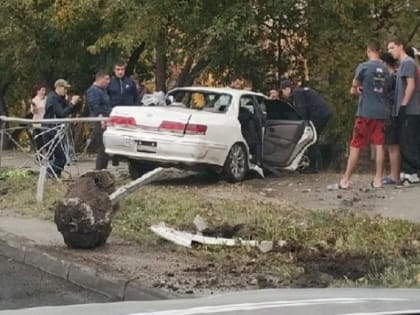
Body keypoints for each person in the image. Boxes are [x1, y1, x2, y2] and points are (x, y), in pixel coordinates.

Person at [339, 39, 389, 189]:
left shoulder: (364, 67)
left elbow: (354, 87)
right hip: (381, 112)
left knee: (356, 145)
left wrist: (356, 90)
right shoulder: (385, 69)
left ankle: (346, 179)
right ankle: (378, 179)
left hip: (365, 112)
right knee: (379, 146)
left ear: (368, 50)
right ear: (379, 51)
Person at [280, 79, 332, 173]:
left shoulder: (297, 94)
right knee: (314, 138)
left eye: (283, 91)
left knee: (311, 139)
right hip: (323, 113)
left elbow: (302, 111)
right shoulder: (299, 92)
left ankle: (313, 167)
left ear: (287, 88)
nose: (283, 94)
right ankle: (318, 166)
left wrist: (303, 124)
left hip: (318, 115)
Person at [388, 38, 420, 183]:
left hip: (409, 110)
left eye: (392, 48)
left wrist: (403, 105)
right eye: (389, 49)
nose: (390, 51)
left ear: (400, 46)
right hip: (402, 110)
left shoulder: (408, 63)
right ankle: (407, 171)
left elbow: (411, 85)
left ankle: (412, 173)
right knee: (403, 141)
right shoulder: (401, 65)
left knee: (409, 142)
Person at [43, 79, 80, 178]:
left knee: (61, 157)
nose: (66, 91)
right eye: (65, 88)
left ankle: (54, 175)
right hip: (50, 130)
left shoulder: (60, 98)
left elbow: (68, 110)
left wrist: (73, 104)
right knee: (60, 157)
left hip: (55, 130)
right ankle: (49, 174)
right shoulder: (53, 98)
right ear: (58, 87)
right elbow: (61, 113)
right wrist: (71, 103)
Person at [380, 52, 400, 185]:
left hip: (390, 113)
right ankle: (394, 173)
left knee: (392, 145)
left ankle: (394, 175)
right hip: (392, 112)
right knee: (391, 145)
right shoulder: (396, 76)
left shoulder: (390, 77)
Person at [86, 71, 112, 170]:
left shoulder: (103, 90)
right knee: (103, 147)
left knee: (106, 148)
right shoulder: (93, 91)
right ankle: (99, 170)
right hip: (100, 122)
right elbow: (96, 107)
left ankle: (102, 170)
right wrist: (102, 120)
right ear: (100, 79)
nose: (108, 82)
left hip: (106, 120)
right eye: (106, 79)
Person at [30, 84, 47, 152]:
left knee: (46, 141)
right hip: (37, 124)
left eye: (44, 90)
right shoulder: (35, 100)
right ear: (38, 91)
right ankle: (39, 157)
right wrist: (34, 106)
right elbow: (34, 112)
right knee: (38, 141)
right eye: (42, 90)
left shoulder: (46, 99)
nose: (44, 92)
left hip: (46, 123)